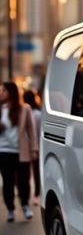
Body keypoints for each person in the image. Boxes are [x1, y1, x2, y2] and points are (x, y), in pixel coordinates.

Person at [0, 82, 38, 222]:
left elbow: (31, 130)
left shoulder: (24, 108)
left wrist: (34, 149)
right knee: (8, 182)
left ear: (11, 92)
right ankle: (10, 209)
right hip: (3, 151)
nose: (1, 93)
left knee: (24, 181)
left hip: (20, 151)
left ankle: (25, 205)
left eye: (3, 90)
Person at [22, 89, 41, 205]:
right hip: (36, 146)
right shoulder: (38, 114)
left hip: (25, 147)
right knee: (36, 171)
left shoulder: (23, 113)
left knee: (25, 172)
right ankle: (36, 194)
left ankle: (24, 193)